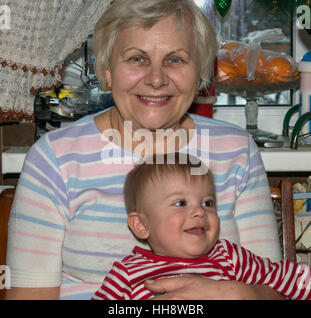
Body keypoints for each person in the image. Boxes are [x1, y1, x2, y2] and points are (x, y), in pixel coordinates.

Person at [6, 0, 283, 300]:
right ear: (108, 71)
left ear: (201, 72)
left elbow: (274, 289)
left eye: (175, 60)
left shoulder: (237, 151)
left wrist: (232, 295)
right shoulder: (54, 158)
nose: (156, 79)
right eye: (137, 59)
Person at [92, 154, 311, 300]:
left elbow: (287, 277)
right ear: (141, 225)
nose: (199, 212)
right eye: (180, 203)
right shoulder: (127, 274)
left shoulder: (230, 256)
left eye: (208, 203)